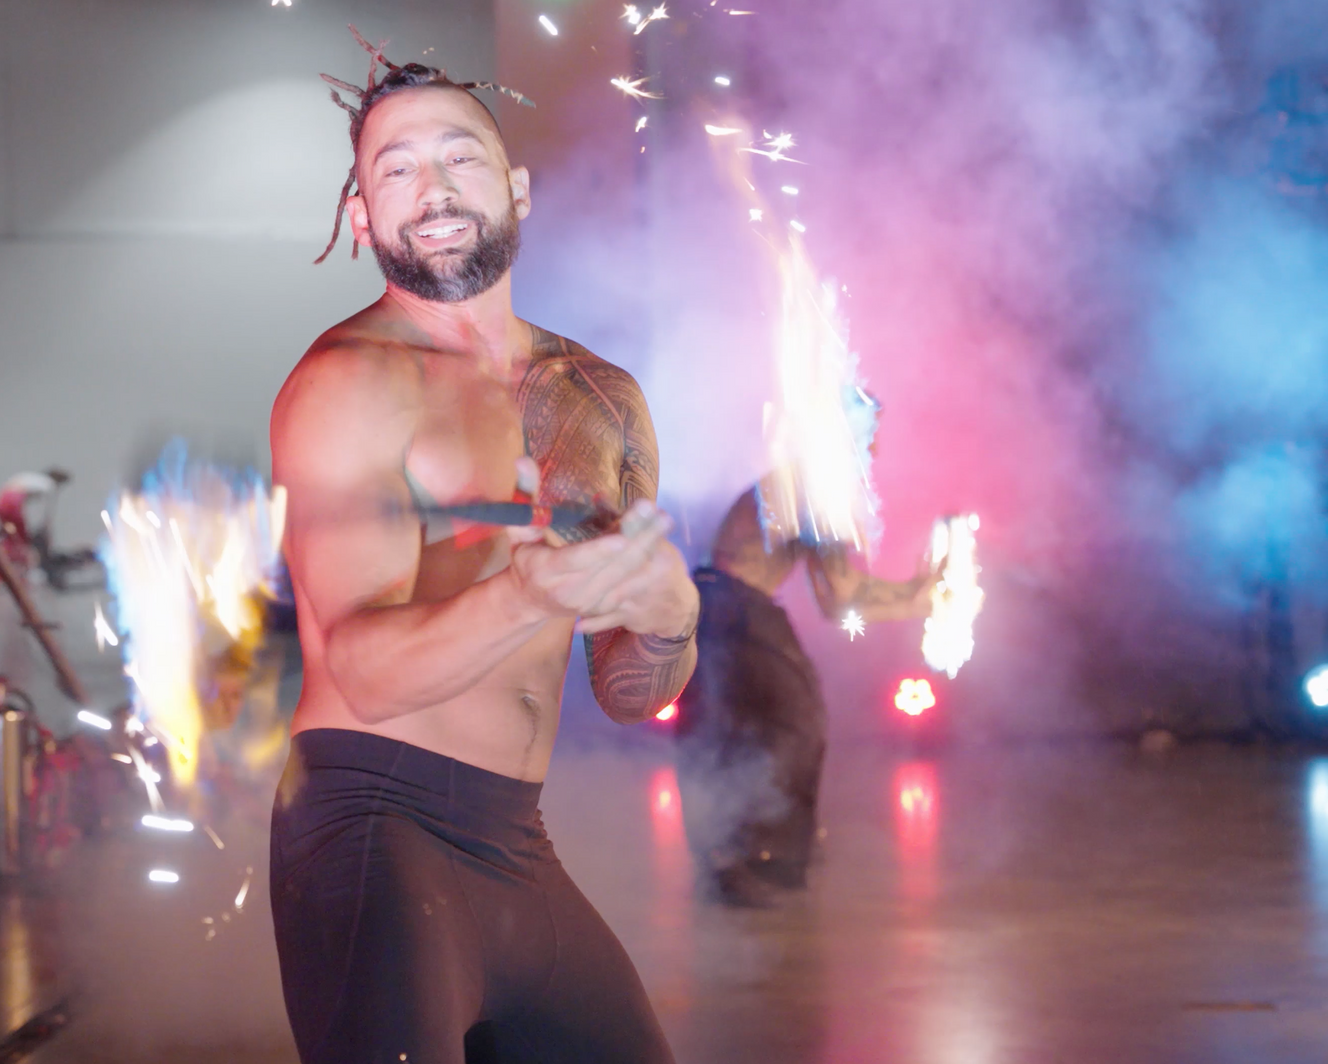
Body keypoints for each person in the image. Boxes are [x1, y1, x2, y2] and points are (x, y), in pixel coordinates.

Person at [268, 52, 698, 1064]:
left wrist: (672, 621)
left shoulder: (600, 397)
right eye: (397, 168)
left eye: (460, 157)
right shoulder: (350, 382)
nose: (434, 188)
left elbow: (629, 692)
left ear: (517, 188)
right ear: (361, 215)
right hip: (372, 831)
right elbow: (365, 674)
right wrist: (523, 594)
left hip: (515, 843)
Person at [675, 473, 937, 908]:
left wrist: (915, 598)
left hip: (714, 603)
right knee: (794, 723)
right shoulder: (817, 481)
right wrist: (917, 599)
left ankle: (740, 859)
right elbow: (843, 597)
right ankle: (761, 859)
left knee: (745, 728)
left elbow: (836, 600)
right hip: (734, 606)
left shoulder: (804, 482)